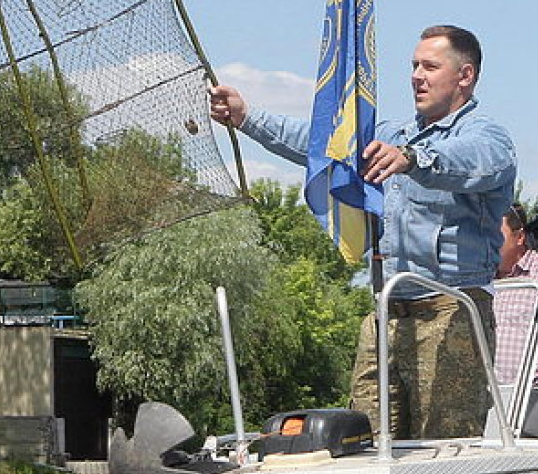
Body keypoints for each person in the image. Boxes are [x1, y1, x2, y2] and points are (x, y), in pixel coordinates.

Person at [209, 24, 516, 439]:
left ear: (465, 76)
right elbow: (323, 145)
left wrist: (412, 158)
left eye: (429, 66)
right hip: (386, 315)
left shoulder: (487, 136)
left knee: (444, 443)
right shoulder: (391, 135)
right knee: (365, 437)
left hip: (450, 313)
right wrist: (248, 118)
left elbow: (471, 161)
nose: (416, 76)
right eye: (413, 66)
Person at [493, 203, 538, 399]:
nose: (490, 242)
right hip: (488, 396)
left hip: (535, 397)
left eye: (496, 235)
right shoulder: (480, 277)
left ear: (519, 237)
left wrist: (527, 384)